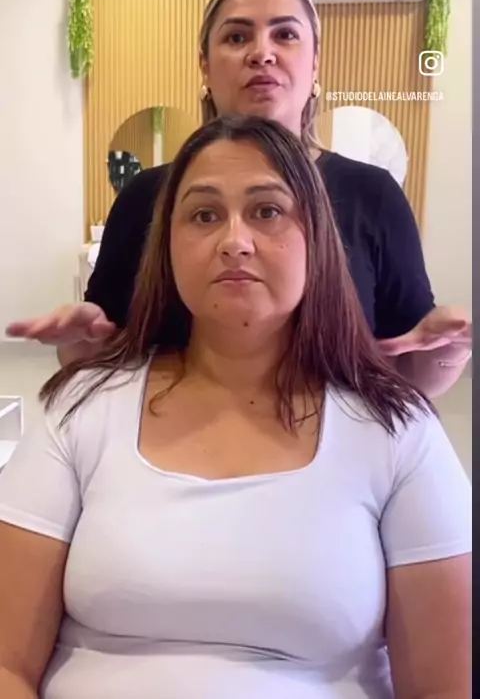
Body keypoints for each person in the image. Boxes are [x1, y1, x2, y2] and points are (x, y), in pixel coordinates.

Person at [0, 116, 471, 699]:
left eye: (267, 211)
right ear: (167, 247)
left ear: (317, 239)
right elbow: (7, 664)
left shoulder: (396, 431)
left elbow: (442, 687)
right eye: (203, 215)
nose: (234, 241)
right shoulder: (81, 409)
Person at [6, 0, 471, 397]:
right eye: (236, 36)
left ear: (314, 64)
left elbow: (412, 371)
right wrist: (78, 345)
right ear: (205, 66)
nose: (262, 53)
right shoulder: (146, 197)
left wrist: (450, 350)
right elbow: (101, 354)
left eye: (285, 34)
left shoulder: (373, 195)